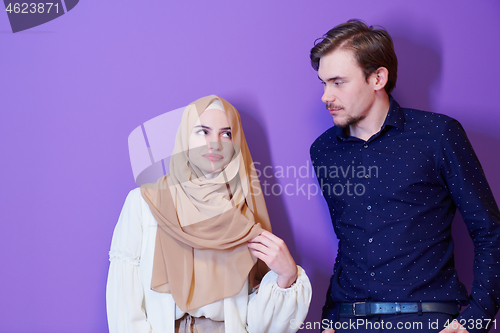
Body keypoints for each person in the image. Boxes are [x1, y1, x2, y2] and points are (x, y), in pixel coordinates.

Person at [309, 20, 500, 333]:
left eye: (338, 82)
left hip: (426, 320)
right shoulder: (325, 151)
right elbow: (350, 242)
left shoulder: (438, 135)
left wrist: (474, 321)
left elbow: (490, 231)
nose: (325, 96)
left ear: (378, 78)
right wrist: (329, 320)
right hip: (348, 321)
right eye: (323, 83)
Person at [106, 95, 312, 332]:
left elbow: (258, 325)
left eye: (226, 133)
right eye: (202, 131)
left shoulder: (244, 212)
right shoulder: (143, 204)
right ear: (184, 137)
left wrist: (286, 277)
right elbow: (125, 302)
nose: (215, 143)